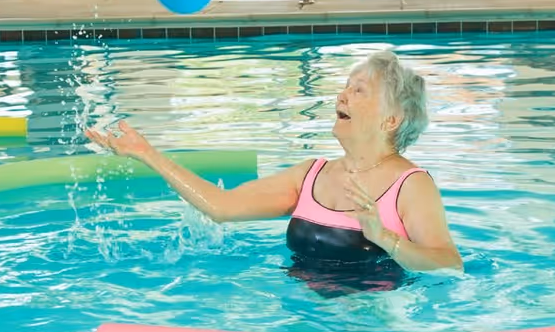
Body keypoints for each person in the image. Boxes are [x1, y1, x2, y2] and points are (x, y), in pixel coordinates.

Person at [86, 51, 462, 291]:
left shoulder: (411, 186)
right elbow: (222, 206)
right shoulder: (310, 175)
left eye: (359, 90)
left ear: (391, 119)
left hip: (377, 322)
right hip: (300, 319)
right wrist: (146, 153)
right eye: (346, 87)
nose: (342, 96)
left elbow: (449, 264)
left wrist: (385, 237)